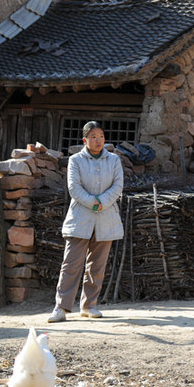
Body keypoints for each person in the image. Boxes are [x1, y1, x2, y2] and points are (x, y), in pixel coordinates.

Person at [48, 121, 124, 323]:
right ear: (85, 140)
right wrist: (93, 202)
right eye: (93, 136)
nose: (98, 140)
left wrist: (103, 202)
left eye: (101, 136)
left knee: (97, 265)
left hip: (105, 216)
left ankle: (89, 305)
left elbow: (118, 186)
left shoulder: (114, 160)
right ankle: (61, 307)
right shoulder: (75, 160)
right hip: (81, 217)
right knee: (71, 263)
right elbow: (74, 187)